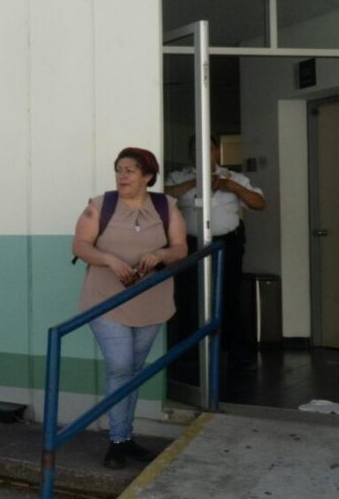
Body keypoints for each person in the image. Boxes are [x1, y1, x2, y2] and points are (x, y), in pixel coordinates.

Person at [72, 147, 188, 469]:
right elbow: (80, 246)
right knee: (121, 367)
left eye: (130, 170)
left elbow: (180, 248)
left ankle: (124, 438)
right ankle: (117, 440)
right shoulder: (100, 206)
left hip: (151, 299)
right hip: (105, 299)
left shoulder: (165, 206)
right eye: (118, 170)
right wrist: (108, 259)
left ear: (148, 176)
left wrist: (161, 255)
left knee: (133, 371)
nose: (122, 177)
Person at [165, 136, 266, 370]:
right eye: (196, 149)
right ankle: (189, 353)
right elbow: (161, 197)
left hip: (227, 244)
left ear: (217, 152)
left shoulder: (234, 178)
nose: (202, 153)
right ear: (190, 154)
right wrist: (195, 182)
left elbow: (259, 203)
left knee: (229, 295)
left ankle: (236, 352)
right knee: (188, 296)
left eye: (208, 149)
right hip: (190, 245)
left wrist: (232, 187)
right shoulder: (179, 177)